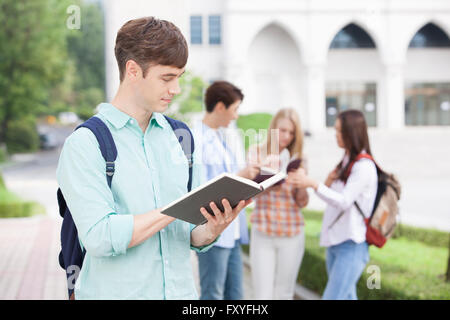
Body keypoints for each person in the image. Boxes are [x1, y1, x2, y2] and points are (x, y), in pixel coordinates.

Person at [56, 17, 251, 300]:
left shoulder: (181, 138)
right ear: (133, 70)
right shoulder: (85, 144)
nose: (176, 89)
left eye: (179, 77)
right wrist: (170, 211)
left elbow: (190, 234)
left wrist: (212, 229)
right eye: (167, 78)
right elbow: (99, 236)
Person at [290, 109, 377, 300]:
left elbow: (344, 201)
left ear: (352, 132)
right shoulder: (347, 161)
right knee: (346, 297)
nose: (335, 135)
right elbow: (331, 197)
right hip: (336, 241)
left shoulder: (364, 167)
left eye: (340, 131)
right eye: (335, 130)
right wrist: (324, 183)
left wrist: (314, 183)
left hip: (352, 244)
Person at [192, 81, 260, 300]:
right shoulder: (197, 140)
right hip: (214, 232)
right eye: (235, 109)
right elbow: (205, 188)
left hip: (232, 232)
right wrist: (242, 176)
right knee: (213, 294)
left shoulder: (221, 137)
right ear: (220, 107)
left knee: (236, 295)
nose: (236, 116)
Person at [247, 108, 309, 300]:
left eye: (291, 133)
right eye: (283, 131)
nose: (287, 137)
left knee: (284, 293)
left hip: (292, 232)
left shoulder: (299, 159)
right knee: (262, 295)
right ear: (273, 128)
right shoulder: (256, 152)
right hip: (263, 232)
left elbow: (303, 202)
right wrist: (267, 183)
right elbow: (248, 193)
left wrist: (301, 184)